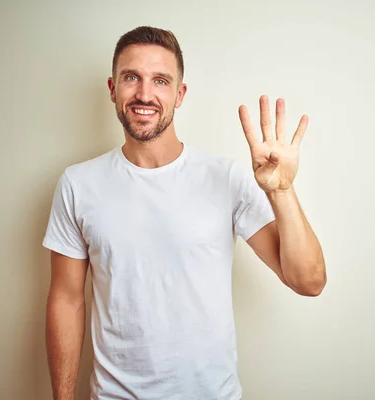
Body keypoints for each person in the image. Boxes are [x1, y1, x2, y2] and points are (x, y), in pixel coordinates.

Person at [43, 25, 326, 400]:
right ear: (112, 88)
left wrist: (283, 192)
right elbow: (67, 299)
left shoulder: (225, 178)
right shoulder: (78, 184)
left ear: (180, 94)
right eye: (131, 77)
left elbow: (309, 281)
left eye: (160, 81)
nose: (144, 94)